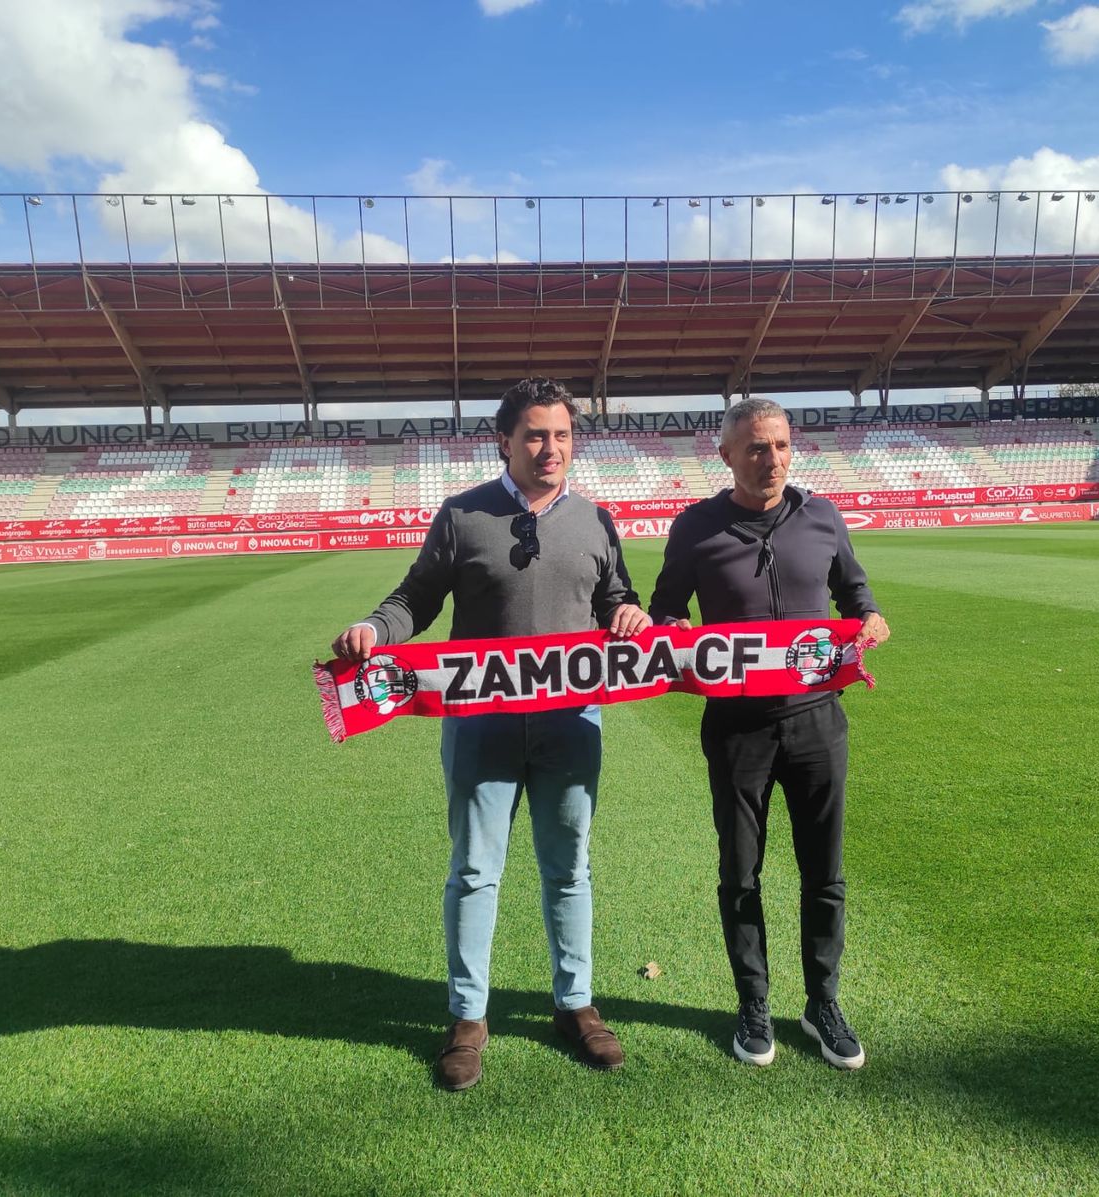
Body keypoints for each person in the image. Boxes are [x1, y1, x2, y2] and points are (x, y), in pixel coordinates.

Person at [330, 378, 650, 1091]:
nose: (551, 448)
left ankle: (575, 1004)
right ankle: (468, 1017)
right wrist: (373, 630)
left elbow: (618, 598)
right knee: (475, 869)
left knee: (570, 866)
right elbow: (416, 597)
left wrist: (631, 617)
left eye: (562, 434)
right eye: (536, 435)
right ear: (503, 441)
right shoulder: (463, 514)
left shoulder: (596, 520)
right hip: (481, 725)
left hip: (572, 723)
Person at [648, 397, 890, 1070]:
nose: (772, 459)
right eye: (756, 447)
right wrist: (673, 631)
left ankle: (822, 1001)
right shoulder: (695, 527)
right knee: (740, 871)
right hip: (736, 727)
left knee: (826, 872)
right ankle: (753, 1002)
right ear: (726, 455)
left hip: (818, 719)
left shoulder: (822, 516)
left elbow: (857, 594)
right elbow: (667, 607)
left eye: (781, 445)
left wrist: (870, 620)